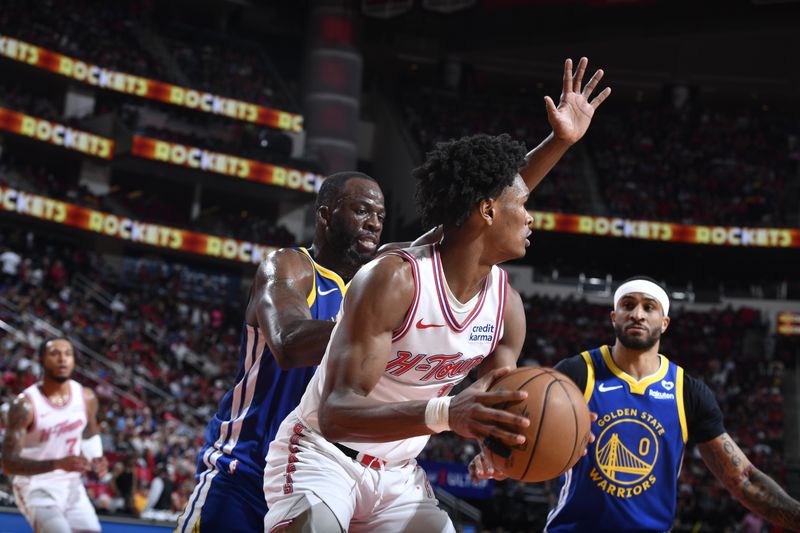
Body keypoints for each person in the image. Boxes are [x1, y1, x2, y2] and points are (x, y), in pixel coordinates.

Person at [472, 276, 800, 532]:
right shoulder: (576, 372)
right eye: (628, 305)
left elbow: (742, 478)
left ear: (664, 322)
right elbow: (522, 432)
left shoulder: (687, 391)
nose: (638, 314)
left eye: (649, 306)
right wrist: (497, 459)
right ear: (614, 316)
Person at [176, 171, 388, 533]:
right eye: (362, 211)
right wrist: (380, 332)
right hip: (244, 469)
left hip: (313, 478)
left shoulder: (376, 287)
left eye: (380, 216)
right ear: (325, 215)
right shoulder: (290, 267)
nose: (373, 224)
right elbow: (288, 343)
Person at [2, 337, 108, 533]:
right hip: (35, 486)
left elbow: (89, 432)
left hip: (72, 486)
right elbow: (8, 463)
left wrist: (96, 459)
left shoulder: (86, 397)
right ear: (41, 360)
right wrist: (57, 464)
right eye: (55, 353)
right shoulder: (25, 405)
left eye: (68, 354)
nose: (62, 359)